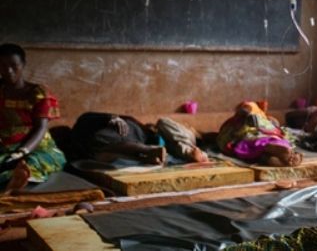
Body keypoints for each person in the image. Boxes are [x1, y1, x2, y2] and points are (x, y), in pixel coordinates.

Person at [0, 43, 66, 193]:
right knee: (6, 162)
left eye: (13, 65)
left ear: (23, 65)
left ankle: (16, 181)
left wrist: (22, 151)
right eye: (3, 66)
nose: (8, 70)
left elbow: (41, 127)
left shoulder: (38, 93)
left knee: (30, 163)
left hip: (35, 145)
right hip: (5, 145)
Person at [71, 112, 209, 164]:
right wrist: (112, 118)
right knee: (99, 145)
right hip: (134, 142)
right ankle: (146, 153)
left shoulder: (188, 135)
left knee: (162, 122)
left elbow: (86, 117)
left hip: (162, 144)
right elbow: (86, 117)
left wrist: (113, 118)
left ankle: (147, 153)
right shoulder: (84, 134)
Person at [217, 101, 303, 167]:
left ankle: (269, 156)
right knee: (272, 139)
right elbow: (246, 107)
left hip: (248, 135)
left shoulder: (259, 115)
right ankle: (276, 152)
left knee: (252, 146)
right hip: (264, 133)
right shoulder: (255, 110)